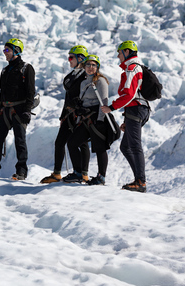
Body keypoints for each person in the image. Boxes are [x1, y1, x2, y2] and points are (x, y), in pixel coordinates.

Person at [0, 38, 36, 180]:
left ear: (16, 51)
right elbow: (2, 91)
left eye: (7, 50)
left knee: (20, 140)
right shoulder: (5, 70)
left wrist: (27, 111)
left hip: (19, 109)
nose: (4, 53)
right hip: (5, 110)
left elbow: (30, 91)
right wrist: (0, 109)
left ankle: (22, 171)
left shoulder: (26, 68)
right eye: (4, 50)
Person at [101, 40, 150, 192]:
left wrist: (111, 107)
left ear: (127, 52)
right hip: (136, 110)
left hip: (136, 109)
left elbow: (129, 94)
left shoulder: (132, 68)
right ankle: (138, 179)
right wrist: (126, 120)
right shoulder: (133, 68)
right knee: (125, 146)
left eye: (119, 52)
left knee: (134, 145)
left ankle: (140, 182)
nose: (118, 56)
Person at [39, 45, 91, 184]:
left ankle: (83, 174)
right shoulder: (73, 75)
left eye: (71, 57)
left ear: (80, 58)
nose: (69, 60)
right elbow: (68, 97)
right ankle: (57, 174)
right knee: (60, 142)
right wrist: (63, 116)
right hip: (68, 114)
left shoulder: (86, 75)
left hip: (79, 114)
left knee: (83, 143)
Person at [66, 53, 117, 186]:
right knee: (72, 143)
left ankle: (101, 176)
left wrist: (100, 120)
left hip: (96, 118)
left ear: (97, 67)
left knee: (100, 147)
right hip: (85, 117)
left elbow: (103, 102)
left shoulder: (100, 81)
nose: (90, 67)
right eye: (88, 64)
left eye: (94, 65)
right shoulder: (84, 82)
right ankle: (78, 172)